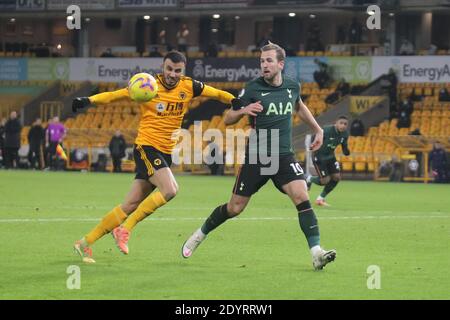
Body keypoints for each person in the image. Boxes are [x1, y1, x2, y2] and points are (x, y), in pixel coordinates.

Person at [182, 42, 336, 271]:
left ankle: (316, 252)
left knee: (301, 195)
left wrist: (318, 129)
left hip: (284, 156)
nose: (264, 65)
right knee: (235, 208)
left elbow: (299, 106)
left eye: (269, 61)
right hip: (258, 157)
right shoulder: (252, 88)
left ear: (280, 64)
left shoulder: (292, 86)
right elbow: (228, 118)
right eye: (262, 61)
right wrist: (243, 110)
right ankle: (200, 234)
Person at [71, 50, 235, 263]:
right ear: (162, 67)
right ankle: (125, 229)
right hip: (146, 148)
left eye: (178, 70)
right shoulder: (148, 85)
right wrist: (88, 100)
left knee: (129, 205)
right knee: (170, 189)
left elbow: (218, 94)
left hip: (164, 153)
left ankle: (84, 243)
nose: (173, 74)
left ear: (183, 70)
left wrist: (236, 101)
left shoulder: (189, 86)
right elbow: (116, 95)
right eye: (169, 69)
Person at [306, 116, 350, 207]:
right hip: (319, 157)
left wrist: (346, 151)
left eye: (345, 124)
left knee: (337, 177)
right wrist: (313, 145)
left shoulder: (345, 134)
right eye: (341, 123)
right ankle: (309, 178)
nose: (343, 125)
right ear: (336, 123)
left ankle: (320, 199)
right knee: (325, 181)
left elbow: (344, 145)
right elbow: (315, 136)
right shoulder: (326, 130)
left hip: (331, 157)